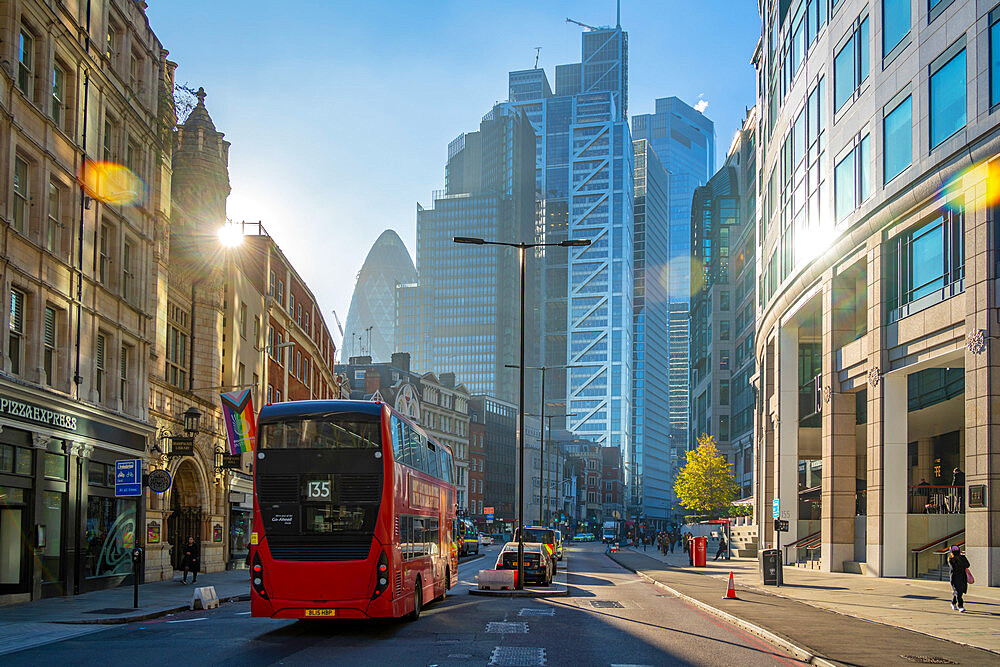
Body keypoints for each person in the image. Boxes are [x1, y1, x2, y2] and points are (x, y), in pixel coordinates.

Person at [948, 545, 971, 612]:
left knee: (960, 592)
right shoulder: (951, 559)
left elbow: (967, 565)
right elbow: (954, 568)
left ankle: (953, 603)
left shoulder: (963, 557)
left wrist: (961, 560)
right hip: (955, 577)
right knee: (958, 591)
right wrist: (961, 563)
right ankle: (960, 606)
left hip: (962, 576)